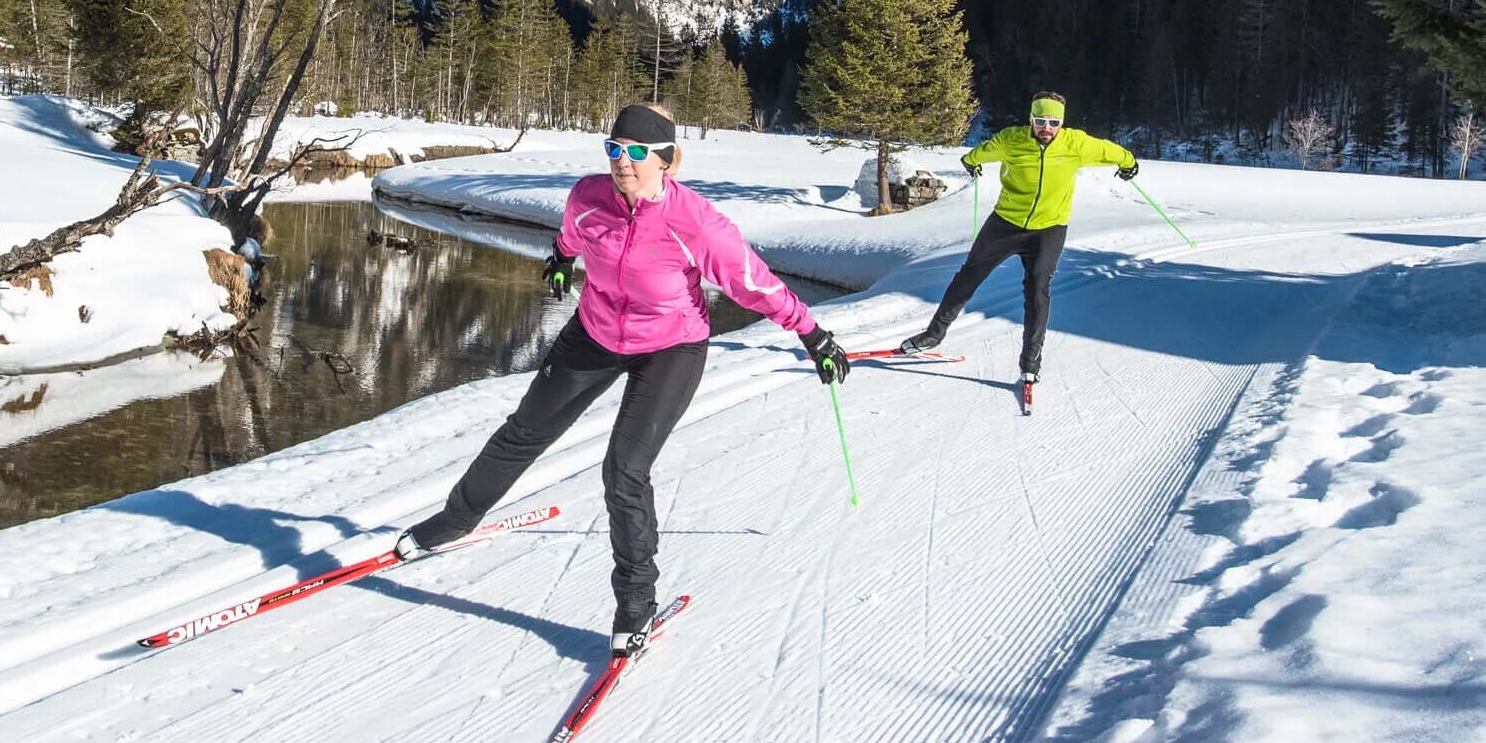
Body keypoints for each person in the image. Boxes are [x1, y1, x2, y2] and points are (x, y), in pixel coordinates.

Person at [396, 103, 851, 654]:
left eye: (636, 152)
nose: (623, 162)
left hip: (671, 347)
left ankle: (636, 604)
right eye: (614, 149)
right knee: (524, 431)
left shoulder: (697, 224)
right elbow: (572, 234)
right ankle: (456, 518)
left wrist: (813, 334)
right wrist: (562, 259)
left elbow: (754, 284)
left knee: (624, 470)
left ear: (666, 162)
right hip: (594, 330)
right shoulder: (588, 198)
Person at [899, 91, 1137, 386]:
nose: (1046, 128)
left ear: (1061, 123)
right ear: (1031, 120)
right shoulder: (1012, 140)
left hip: (1049, 229)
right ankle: (933, 334)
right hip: (1005, 223)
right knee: (968, 276)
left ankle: (1030, 363)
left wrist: (1128, 163)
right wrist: (971, 160)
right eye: (1040, 121)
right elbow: (982, 151)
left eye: (1053, 122)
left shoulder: (1076, 144)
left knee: (1038, 289)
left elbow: (1111, 151)